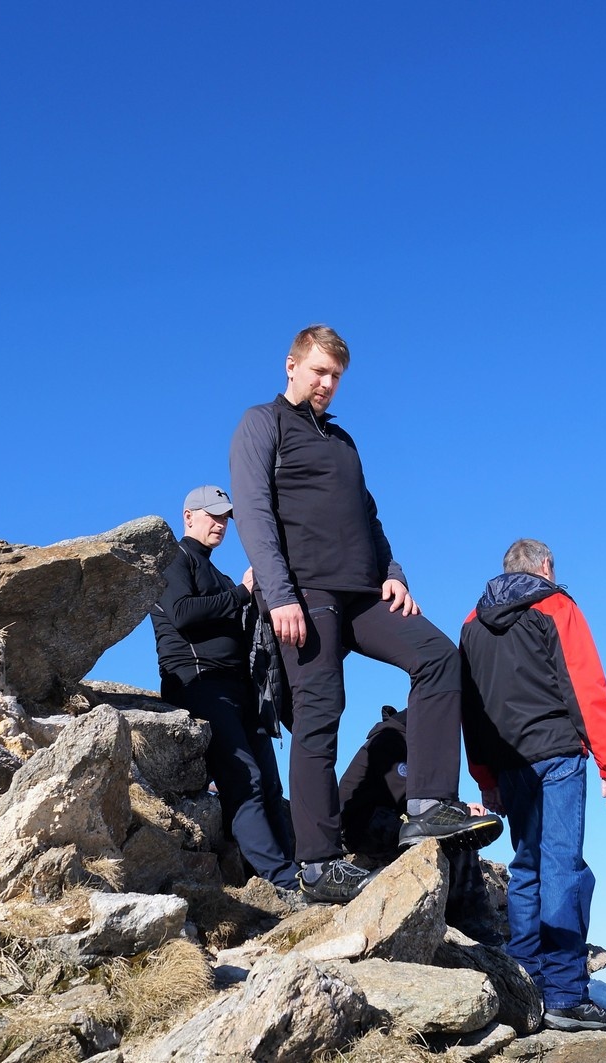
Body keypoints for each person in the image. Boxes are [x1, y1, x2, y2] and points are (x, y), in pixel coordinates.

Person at [230, 324, 501, 903]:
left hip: (363, 593)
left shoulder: (343, 441)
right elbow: (252, 511)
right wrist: (279, 594)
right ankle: (317, 864)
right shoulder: (263, 422)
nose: (327, 383)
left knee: (438, 657)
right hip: (306, 592)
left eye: (336, 376)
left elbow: (368, 517)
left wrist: (393, 574)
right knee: (320, 712)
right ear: (291, 366)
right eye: (319, 371)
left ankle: (428, 804)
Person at [460, 538, 606, 1033]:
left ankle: (527, 984)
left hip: (508, 764)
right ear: (545, 566)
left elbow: (471, 708)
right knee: (562, 868)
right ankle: (566, 995)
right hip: (556, 755)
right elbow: (585, 684)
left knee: (527, 867)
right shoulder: (555, 605)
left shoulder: (471, 624)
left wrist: (485, 776)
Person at [149, 485, 299, 892]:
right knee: (244, 778)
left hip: (240, 689)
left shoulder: (220, 574)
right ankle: (280, 879)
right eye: (212, 515)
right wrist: (241, 594)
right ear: (188, 516)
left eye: (225, 517)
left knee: (270, 784)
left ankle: (291, 872)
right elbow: (181, 613)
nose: (221, 524)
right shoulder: (173, 559)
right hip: (198, 685)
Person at [338, 706, 501, 941]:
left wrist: (460, 808)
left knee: (451, 831)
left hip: (374, 819)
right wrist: (462, 810)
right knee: (452, 836)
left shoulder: (401, 739)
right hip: (360, 824)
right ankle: (468, 920)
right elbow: (411, 795)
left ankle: (463, 915)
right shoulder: (393, 741)